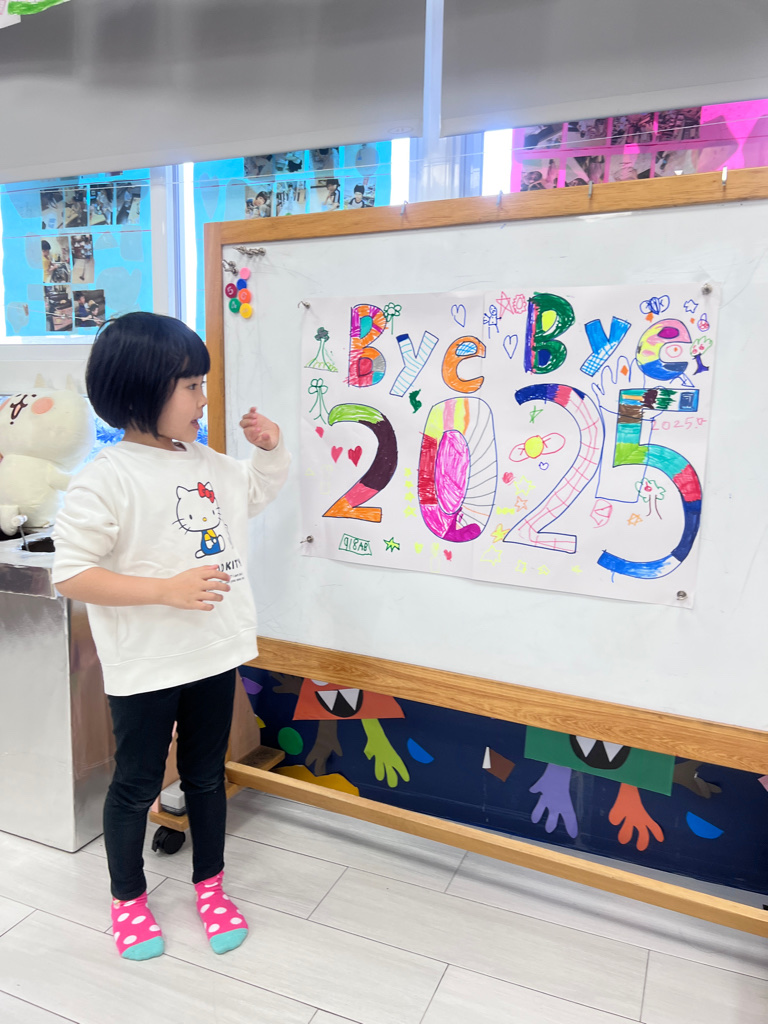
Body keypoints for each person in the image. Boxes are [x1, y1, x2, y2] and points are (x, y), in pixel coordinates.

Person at [52, 313, 290, 962]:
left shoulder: (208, 462)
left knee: (206, 778)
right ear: (142, 388)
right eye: (191, 386)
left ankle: (210, 887)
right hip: (147, 663)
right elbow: (71, 574)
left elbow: (254, 492)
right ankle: (128, 899)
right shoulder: (106, 476)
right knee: (136, 786)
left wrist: (270, 450)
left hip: (213, 651)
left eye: (201, 384)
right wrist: (164, 590)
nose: (203, 399)